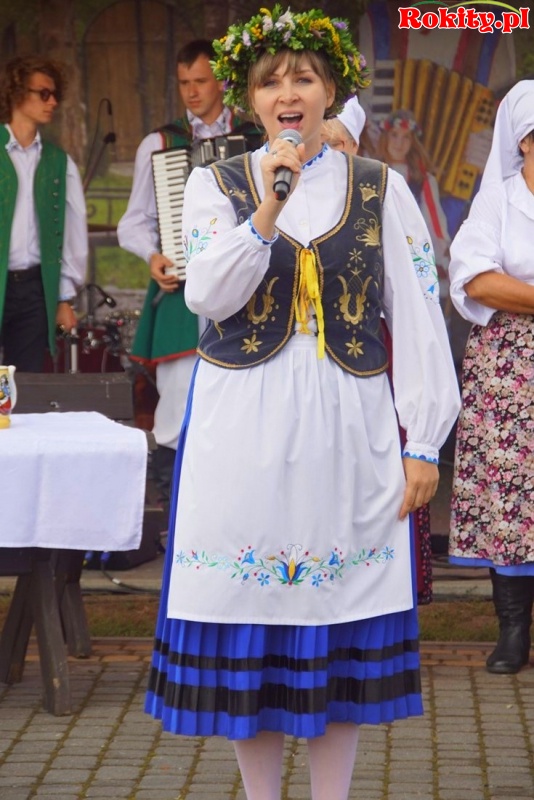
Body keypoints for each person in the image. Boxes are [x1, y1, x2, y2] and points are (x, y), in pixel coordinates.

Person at [145, 7, 460, 800]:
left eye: (305, 78)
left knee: (340, 622)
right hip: (241, 431)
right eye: (271, 82)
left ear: (331, 92)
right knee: (249, 625)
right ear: (250, 100)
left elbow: (418, 315)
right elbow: (208, 295)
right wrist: (268, 207)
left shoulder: (378, 187)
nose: (288, 94)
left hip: (348, 429)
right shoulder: (216, 185)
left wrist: (423, 442)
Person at [118, 39, 262, 511]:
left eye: (200, 81)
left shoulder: (256, 136)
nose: (191, 92)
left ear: (222, 81)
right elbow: (133, 223)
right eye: (184, 83)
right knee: (178, 396)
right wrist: (153, 256)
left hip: (248, 289)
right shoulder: (160, 144)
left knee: (245, 396)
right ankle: (173, 511)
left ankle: (236, 505)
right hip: (182, 290)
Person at [448, 80, 534, 675]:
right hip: (509, 365)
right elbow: (477, 279)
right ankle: (513, 630)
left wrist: (518, 288)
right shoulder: (497, 202)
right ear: (525, 141)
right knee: (511, 492)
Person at [0, 55, 87, 372]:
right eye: (44, 93)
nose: (53, 102)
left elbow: (72, 237)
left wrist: (63, 298)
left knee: (25, 382)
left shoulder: (59, 163)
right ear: (17, 92)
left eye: (55, 94)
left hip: (34, 290)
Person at [376, 109, 451, 321]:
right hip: (377, 259)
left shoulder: (423, 181)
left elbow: (434, 225)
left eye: (406, 137)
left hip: (411, 260)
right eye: (394, 135)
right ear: (385, 137)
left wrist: (442, 259)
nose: (399, 143)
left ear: (413, 142)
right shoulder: (371, 173)